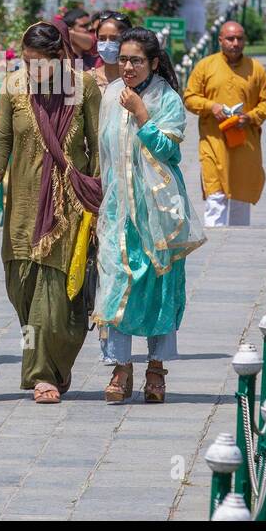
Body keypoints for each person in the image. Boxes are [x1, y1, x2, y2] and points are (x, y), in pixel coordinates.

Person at [0, 21, 102, 404]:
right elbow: (0, 136)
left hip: (70, 203)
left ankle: (42, 374)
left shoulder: (82, 87)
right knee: (23, 284)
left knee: (59, 292)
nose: (33, 71)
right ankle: (51, 363)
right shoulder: (14, 86)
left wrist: (99, 198)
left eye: (41, 63)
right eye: (27, 62)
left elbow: (98, 145)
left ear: (61, 56)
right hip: (22, 202)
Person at [95, 28, 205, 404]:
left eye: (136, 60)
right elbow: (105, 156)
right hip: (119, 208)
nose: (127, 66)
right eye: (123, 59)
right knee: (116, 282)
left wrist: (143, 116)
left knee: (160, 285)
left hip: (159, 211)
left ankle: (156, 368)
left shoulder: (168, 99)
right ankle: (120, 367)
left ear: (153, 63)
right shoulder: (110, 95)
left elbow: (168, 153)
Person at [183, 20, 266, 227]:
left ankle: (238, 242)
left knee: (241, 194)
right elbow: (189, 98)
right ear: (220, 40)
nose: (235, 43)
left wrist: (249, 117)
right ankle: (215, 238)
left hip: (245, 142)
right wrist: (211, 107)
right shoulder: (206, 66)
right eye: (230, 38)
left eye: (239, 39)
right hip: (214, 141)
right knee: (215, 194)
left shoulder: (256, 69)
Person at [89, 11, 132, 89]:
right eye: (102, 39)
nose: (107, 45)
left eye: (114, 39)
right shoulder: (86, 79)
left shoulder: (135, 80)